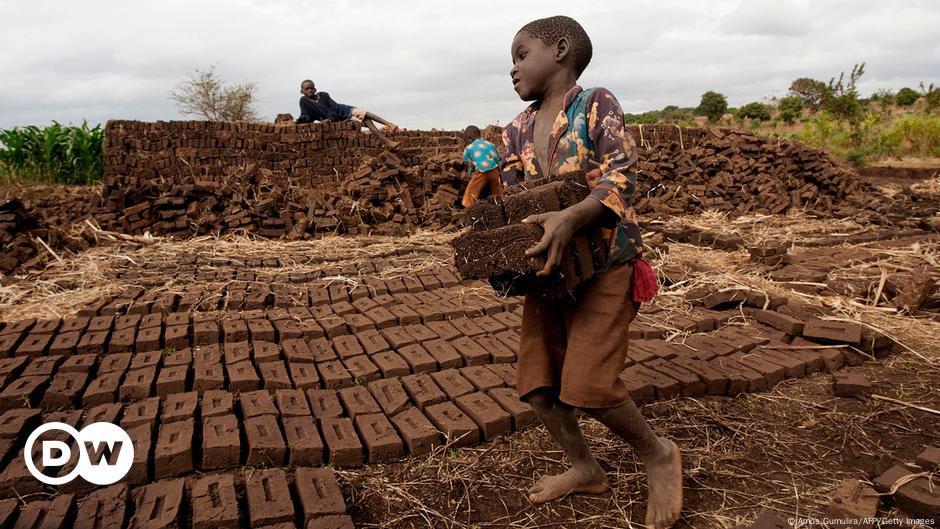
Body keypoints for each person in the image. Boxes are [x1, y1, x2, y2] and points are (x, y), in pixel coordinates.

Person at [499, 15, 682, 529]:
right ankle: (586, 467)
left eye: (520, 54)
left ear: (559, 50)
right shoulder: (513, 130)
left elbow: (624, 175)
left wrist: (573, 216)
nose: (512, 69)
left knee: (587, 384)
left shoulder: (596, 103)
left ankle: (658, 454)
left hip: (607, 264)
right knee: (538, 385)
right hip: (550, 274)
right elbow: (515, 202)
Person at [296, 79, 399, 149]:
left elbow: (334, 106)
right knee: (367, 121)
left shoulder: (323, 95)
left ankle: (389, 126)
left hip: (344, 110)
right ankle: (387, 141)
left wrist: (329, 118)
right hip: (339, 119)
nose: (310, 90)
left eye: (311, 88)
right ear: (302, 91)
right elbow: (306, 114)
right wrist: (300, 121)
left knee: (365, 114)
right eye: (307, 89)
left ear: (315, 89)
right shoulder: (304, 101)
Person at [460, 125, 503, 207]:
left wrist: (470, 172)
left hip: (481, 172)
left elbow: (467, 162)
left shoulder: (469, 148)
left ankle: (467, 205)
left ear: (470, 138)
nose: (466, 143)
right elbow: (498, 159)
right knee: (496, 191)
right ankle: (499, 203)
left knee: (471, 191)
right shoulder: (491, 145)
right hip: (494, 171)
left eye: (466, 141)